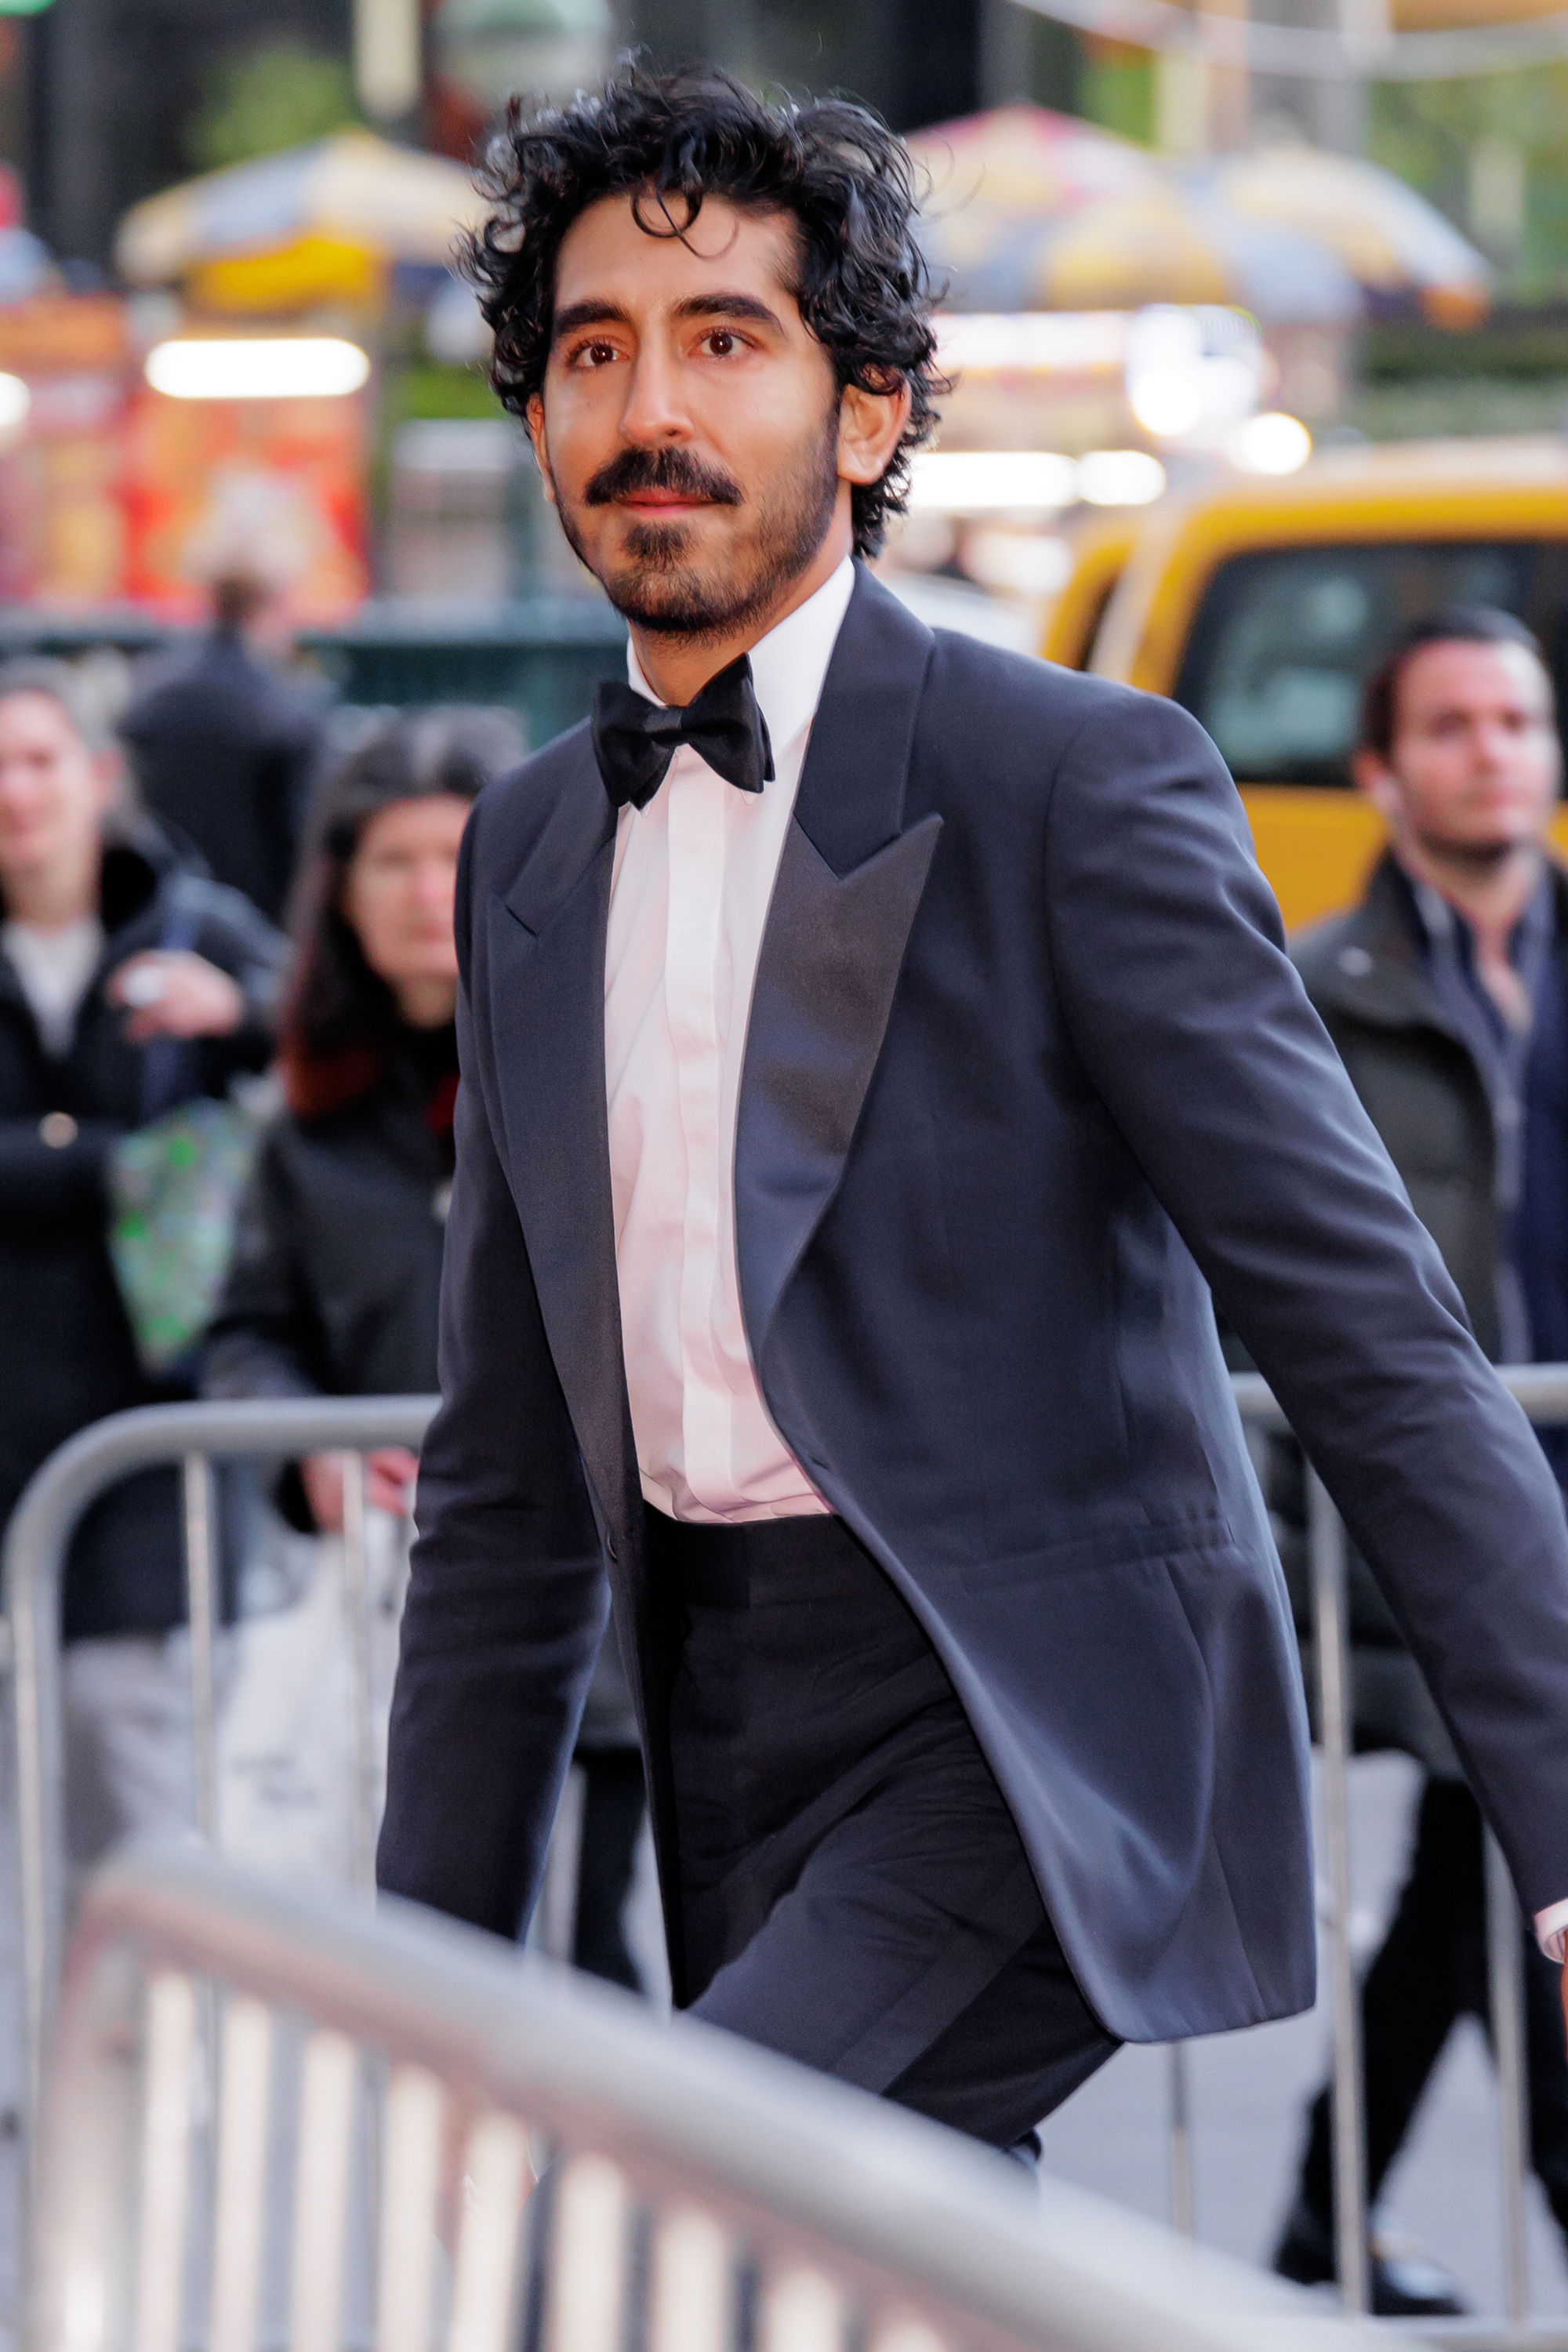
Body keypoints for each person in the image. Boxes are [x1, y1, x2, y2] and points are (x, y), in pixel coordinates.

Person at [378, 65, 1568, 2167]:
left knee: (680, 2199)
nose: (650, 403)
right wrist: (414, 1971)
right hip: (718, 1718)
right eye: (591, 350)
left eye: (726, 338)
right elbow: (500, 1475)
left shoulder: (1071, 782)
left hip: (1028, 1715)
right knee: (854, 2279)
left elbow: (1367, 1323)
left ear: (866, 411)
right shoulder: (531, 847)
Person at [205, 706, 648, 1988]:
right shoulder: (307, 1127)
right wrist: (314, 1454)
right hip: (394, 1614)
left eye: (450, 855)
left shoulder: (599, 1071)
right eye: (389, 861)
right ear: (339, 892)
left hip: (604, 1616)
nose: (421, 893)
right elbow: (247, 1329)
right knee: (418, 1984)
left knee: (587, 1969)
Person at [1271, 607, 1568, 2307]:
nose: (1490, 753)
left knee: (1484, 1878)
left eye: (1516, 722)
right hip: (1448, 1524)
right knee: (1510, 1866)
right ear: (1382, 773)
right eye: (1450, 726)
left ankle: (1320, 2226)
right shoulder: (1318, 992)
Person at [0, 657, 285, 1867]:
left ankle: (119, 2057)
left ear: (98, 775)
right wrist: (114, 1161)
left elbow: (329, 1027)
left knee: (128, 1765)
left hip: (145, 1418)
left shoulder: (193, 925)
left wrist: (244, 1017)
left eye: (39, 758)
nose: (15, 791)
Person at [119, 574, 327, 927]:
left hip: (161, 912)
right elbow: (303, 835)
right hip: (262, 918)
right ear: (270, 611)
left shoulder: (151, 696)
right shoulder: (289, 706)